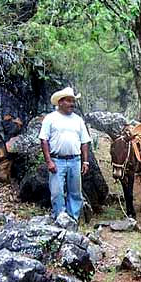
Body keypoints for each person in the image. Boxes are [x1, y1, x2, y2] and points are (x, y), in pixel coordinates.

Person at [38, 86, 91, 221]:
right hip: (57, 160)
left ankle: (72, 219)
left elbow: (84, 142)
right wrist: (49, 161)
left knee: (75, 192)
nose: (72, 104)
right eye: (68, 101)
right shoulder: (50, 118)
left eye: (73, 101)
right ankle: (60, 218)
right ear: (60, 102)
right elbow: (44, 140)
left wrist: (85, 161)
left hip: (75, 160)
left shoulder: (78, 120)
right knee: (57, 192)